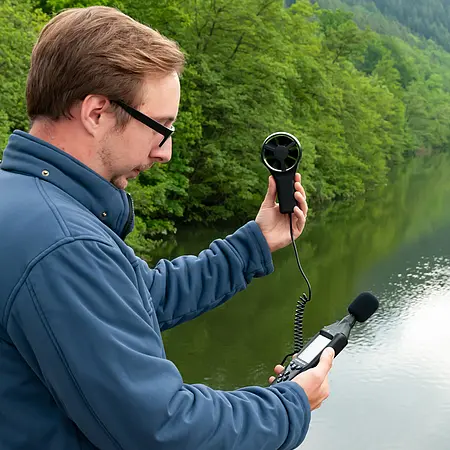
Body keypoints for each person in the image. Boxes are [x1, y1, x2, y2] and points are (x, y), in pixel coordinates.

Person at [0, 6, 334, 450]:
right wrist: (289, 404)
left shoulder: (29, 203)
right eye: (162, 127)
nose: (166, 152)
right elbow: (162, 429)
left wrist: (256, 242)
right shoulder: (63, 243)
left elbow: (143, 296)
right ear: (97, 113)